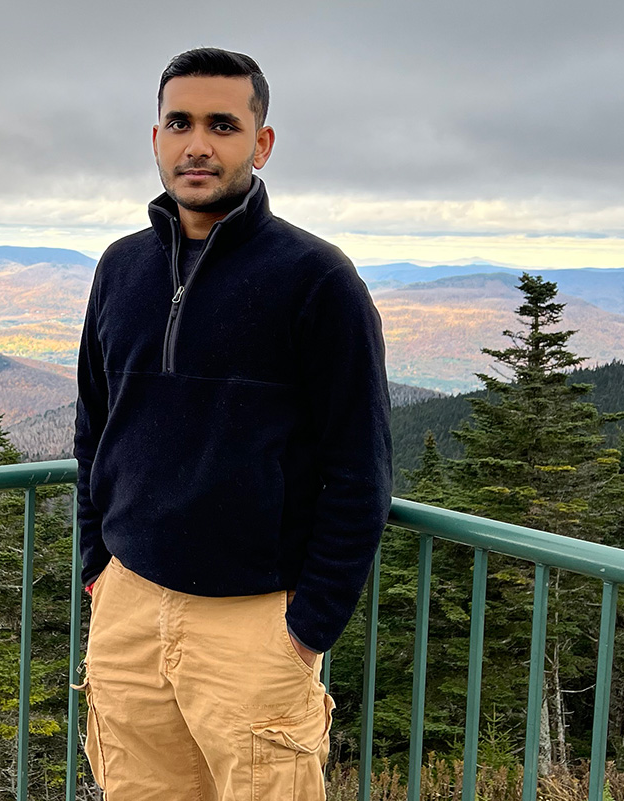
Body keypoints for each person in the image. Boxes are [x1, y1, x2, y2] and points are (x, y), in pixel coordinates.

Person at [74, 47, 392, 800]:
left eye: (223, 124)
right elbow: (93, 424)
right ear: (155, 137)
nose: (197, 144)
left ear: (261, 141)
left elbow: (361, 469)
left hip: (255, 626)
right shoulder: (120, 268)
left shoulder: (317, 279)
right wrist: (98, 564)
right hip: (127, 608)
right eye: (179, 122)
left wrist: (305, 628)